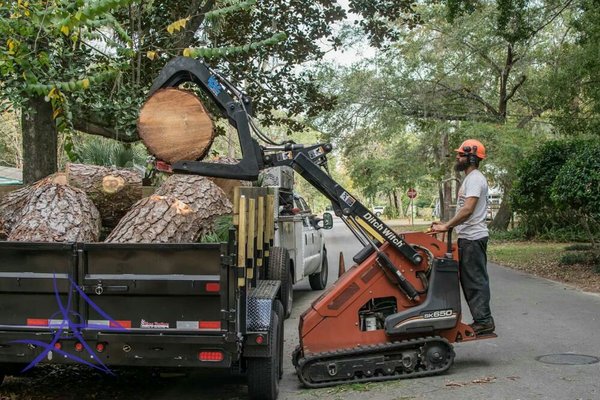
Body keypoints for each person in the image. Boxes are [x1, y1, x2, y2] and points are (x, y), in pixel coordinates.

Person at [431, 139, 494, 335]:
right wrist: (446, 226)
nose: (457, 157)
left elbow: (467, 210)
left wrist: (447, 226)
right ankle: (481, 319)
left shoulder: (475, 178)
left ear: (472, 157)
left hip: (474, 238)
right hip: (468, 237)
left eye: (461, 154)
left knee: (475, 280)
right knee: (468, 281)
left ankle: (484, 321)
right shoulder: (469, 178)